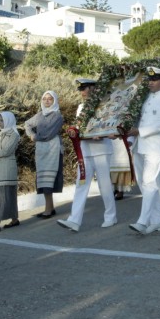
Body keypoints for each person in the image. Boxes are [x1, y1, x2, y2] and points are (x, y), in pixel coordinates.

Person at [59, 79, 117, 232]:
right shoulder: (81, 108)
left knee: (104, 185)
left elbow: (110, 126)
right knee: (81, 183)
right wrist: (75, 131)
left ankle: (111, 216)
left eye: (85, 89)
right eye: (81, 89)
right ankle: (74, 220)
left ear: (93, 89)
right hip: (85, 149)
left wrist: (101, 134)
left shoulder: (106, 105)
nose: (82, 93)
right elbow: (81, 127)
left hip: (101, 149)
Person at [128, 67, 160, 234]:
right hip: (140, 144)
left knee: (149, 182)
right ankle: (157, 221)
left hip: (155, 146)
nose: (151, 82)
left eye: (154, 79)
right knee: (145, 183)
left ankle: (143, 221)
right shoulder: (146, 97)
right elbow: (138, 119)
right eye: (149, 79)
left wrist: (140, 131)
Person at [25, 90, 65, 217]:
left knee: (50, 178)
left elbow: (49, 134)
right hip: (41, 149)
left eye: (50, 99)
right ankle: (50, 207)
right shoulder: (40, 115)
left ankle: (48, 209)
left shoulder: (57, 116)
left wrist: (36, 137)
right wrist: (31, 135)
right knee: (43, 179)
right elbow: (27, 124)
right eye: (45, 99)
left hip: (53, 148)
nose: (47, 101)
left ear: (54, 101)